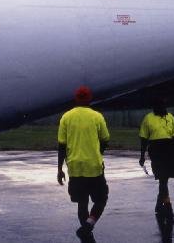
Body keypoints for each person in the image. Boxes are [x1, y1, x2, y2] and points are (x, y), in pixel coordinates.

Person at [57, 86, 110, 243]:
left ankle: (86, 233)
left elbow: (61, 146)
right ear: (89, 99)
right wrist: (98, 153)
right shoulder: (97, 116)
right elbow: (105, 139)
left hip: (75, 167)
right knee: (101, 199)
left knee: (82, 202)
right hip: (93, 166)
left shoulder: (66, 117)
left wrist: (60, 169)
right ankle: (87, 228)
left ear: (76, 99)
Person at [139, 97, 174, 225]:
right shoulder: (148, 118)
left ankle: (159, 203)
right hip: (156, 149)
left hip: (169, 150)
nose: (162, 108)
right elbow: (144, 138)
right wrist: (142, 155)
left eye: (163, 105)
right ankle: (167, 205)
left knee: (164, 179)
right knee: (162, 178)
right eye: (158, 105)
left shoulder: (170, 117)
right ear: (154, 107)